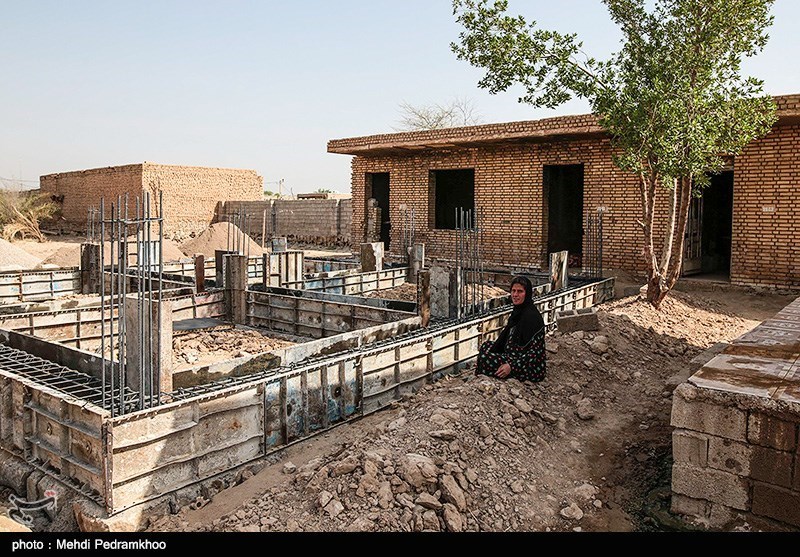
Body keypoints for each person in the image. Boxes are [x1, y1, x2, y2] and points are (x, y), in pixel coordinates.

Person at [476, 275, 546, 382]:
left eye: (520, 291)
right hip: (514, 355)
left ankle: (490, 374)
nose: (515, 295)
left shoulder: (531, 317)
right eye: (513, 291)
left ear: (527, 294)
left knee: (485, 359)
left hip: (529, 366)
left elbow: (535, 353)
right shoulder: (518, 312)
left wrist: (511, 366)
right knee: (486, 346)